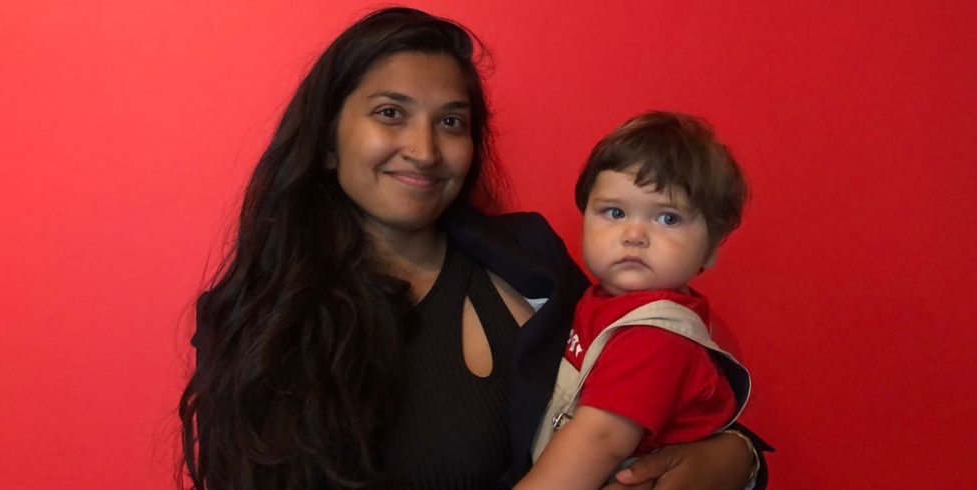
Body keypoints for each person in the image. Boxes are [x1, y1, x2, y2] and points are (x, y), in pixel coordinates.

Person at [178, 7, 771, 490]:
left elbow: (652, 388)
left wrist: (736, 462)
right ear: (328, 141)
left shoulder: (535, 259)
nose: (425, 150)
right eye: (391, 113)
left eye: (452, 122)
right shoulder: (253, 321)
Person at [517, 112, 754, 490]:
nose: (634, 234)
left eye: (668, 218)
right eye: (615, 212)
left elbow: (601, 439)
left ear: (711, 247)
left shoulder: (654, 336)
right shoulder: (600, 302)